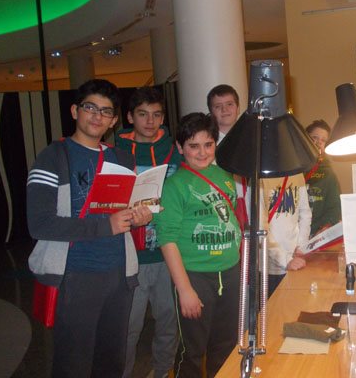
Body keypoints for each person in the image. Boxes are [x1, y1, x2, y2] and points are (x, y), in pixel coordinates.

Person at [27, 79, 153, 378]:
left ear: (113, 121)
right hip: (75, 276)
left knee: (111, 363)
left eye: (105, 111)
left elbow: (125, 212)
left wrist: (139, 217)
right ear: (75, 111)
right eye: (90, 108)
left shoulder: (122, 159)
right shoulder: (53, 157)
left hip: (120, 275)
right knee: (73, 364)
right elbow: (39, 224)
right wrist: (105, 226)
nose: (97, 116)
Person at [156, 113, 241, 378]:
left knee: (226, 346)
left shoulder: (225, 175)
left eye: (208, 144)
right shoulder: (174, 185)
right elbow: (167, 239)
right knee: (191, 351)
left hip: (230, 272)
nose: (202, 152)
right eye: (193, 146)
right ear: (180, 148)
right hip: (194, 276)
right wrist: (185, 290)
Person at [116, 87, 183, 378]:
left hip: (168, 251)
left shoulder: (174, 151)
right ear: (130, 117)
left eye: (156, 115)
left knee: (169, 320)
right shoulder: (115, 153)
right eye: (143, 114)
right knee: (129, 325)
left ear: (163, 118)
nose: (150, 121)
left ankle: (163, 371)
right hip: (130, 255)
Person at [305, 120, 341, 237]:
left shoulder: (329, 174)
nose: (319, 142)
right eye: (314, 137)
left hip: (316, 235)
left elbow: (334, 207)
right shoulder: (292, 169)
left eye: (323, 140)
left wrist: (325, 227)